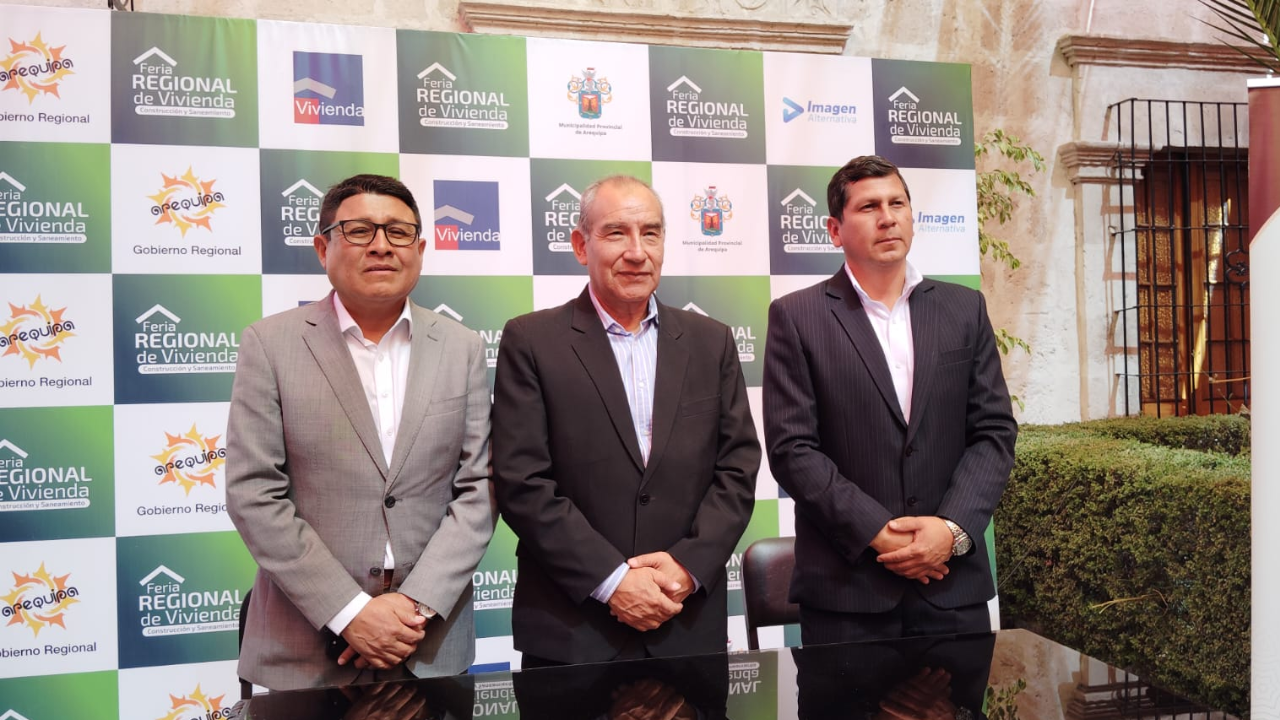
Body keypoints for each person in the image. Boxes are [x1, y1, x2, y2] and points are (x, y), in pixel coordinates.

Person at [226, 174, 495, 690]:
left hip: (429, 642)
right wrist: (349, 611)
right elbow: (253, 492)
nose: (380, 245)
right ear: (322, 247)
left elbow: (479, 488)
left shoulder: (462, 347)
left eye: (398, 232)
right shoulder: (270, 345)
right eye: (359, 231)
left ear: (420, 250)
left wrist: (415, 605)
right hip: (305, 650)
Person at [492, 175, 759, 666]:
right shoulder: (531, 341)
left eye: (650, 233)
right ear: (580, 245)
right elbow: (522, 481)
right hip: (573, 632)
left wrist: (686, 568)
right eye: (616, 233)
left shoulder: (711, 341)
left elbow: (738, 468)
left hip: (686, 621)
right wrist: (613, 582)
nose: (637, 252)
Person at [763, 155, 1017, 643]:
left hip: (952, 587)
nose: (887, 218)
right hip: (847, 593)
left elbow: (994, 432)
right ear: (834, 230)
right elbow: (792, 450)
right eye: (869, 207)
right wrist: (878, 533)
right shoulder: (797, 317)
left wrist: (950, 531)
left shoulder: (964, 308)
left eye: (897, 203)